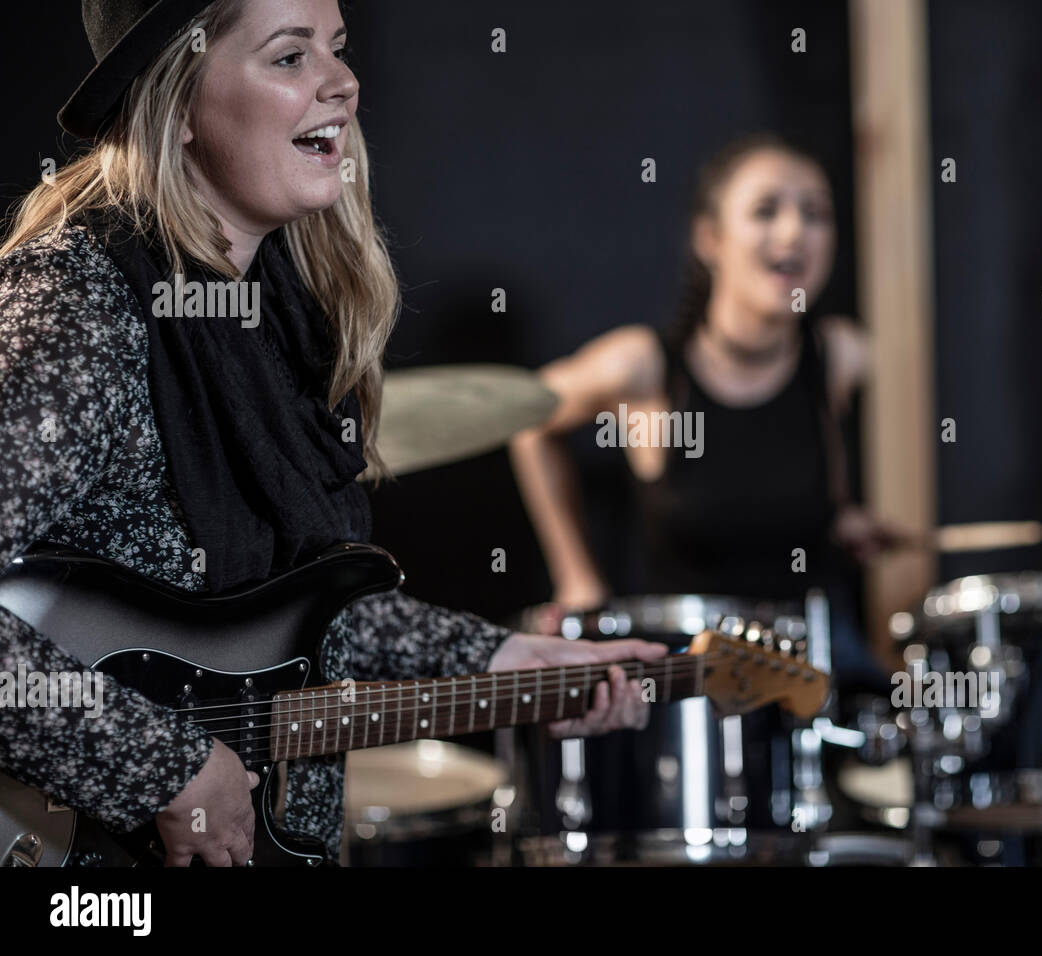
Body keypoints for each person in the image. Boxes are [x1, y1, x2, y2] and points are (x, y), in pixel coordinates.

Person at [0, 0, 662, 868]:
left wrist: (503, 660)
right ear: (178, 101)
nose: (343, 83)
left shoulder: (281, 314)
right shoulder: (76, 301)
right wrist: (163, 768)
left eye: (339, 49)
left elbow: (290, 625)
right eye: (289, 57)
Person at [510, 132, 907, 692]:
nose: (795, 232)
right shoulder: (646, 369)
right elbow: (525, 419)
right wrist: (576, 578)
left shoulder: (839, 355)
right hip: (689, 670)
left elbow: (815, 476)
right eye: (767, 210)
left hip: (813, 662)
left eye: (815, 213)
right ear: (711, 238)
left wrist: (839, 517)